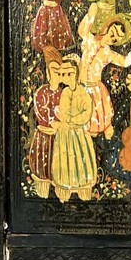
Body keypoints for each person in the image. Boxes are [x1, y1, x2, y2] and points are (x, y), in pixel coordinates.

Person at [78, 3, 131, 138]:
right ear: (108, 27)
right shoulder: (90, 40)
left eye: (116, 39)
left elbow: (125, 62)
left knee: (95, 121)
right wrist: (91, 15)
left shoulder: (108, 53)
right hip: (81, 86)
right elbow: (82, 31)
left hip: (95, 88)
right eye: (113, 33)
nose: (112, 39)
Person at [49, 56, 98, 202]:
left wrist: (74, 120)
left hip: (78, 132)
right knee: (65, 159)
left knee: (80, 157)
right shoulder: (65, 92)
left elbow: (87, 111)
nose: (66, 77)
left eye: (69, 74)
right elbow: (63, 110)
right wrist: (66, 120)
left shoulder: (83, 92)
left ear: (76, 73)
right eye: (63, 74)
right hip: (65, 132)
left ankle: (82, 188)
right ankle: (65, 188)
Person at [28, 45, 64, 198]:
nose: (57, 75)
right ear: (48, 72)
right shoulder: (42, 91)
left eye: (60, 72)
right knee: (43, 165)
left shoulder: (63, 92)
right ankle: (42, 196)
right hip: (45, 135)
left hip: (59, 135)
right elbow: (40, 110)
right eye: (54, 71)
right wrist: (51, 121)